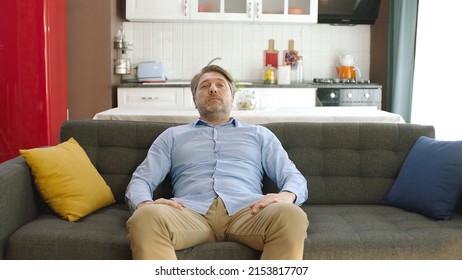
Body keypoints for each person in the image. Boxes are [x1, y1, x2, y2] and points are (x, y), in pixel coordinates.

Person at [125, 65, 309, 260]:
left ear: (233, 97)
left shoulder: (259, 135)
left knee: (292, 215)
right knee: (144, 218)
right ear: (194, 100)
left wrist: (287, 196)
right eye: (204, 86)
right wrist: (144, 203)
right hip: (189, 214)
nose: (213, 89)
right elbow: (141, 179)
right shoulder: (171, 136)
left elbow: (292, 176)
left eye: (220, 85)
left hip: (248, 213)